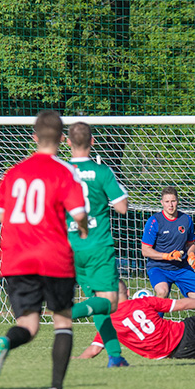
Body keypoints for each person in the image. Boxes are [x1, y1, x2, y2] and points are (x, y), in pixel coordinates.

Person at [0, 109, 89, 389]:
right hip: (53, 257)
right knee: (62, 322)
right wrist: (80, 229)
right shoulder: (65, 171)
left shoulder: (15, 172)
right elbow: (79, 212)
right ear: (63, 139)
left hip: (17, 258)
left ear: (34, 137)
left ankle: (6, 341)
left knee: (28, 326)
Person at [65, 122, 130, 368]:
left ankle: (115, 356)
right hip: (98, 246)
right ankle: (65, 314)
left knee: (98, 303)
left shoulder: (61, 171)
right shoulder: (102, 172)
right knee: (111, 302)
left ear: (68, 142)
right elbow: (122, 207)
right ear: (92, 141)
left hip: (71, 248)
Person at [141, 186, 195, 317]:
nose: (170, 205)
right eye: (167, 202)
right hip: (159, 267)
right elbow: (146, 251)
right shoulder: (154, 221)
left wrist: (191, 255)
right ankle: (155, 329)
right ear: (162, 203)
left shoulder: (186, 219)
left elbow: (190, 244)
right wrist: (167, 256)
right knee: (162, 291)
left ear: (177, 201)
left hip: (181, 268)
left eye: (173, 201)